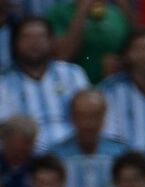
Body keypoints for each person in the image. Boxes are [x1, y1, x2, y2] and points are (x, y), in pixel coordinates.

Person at [0, 17, 91, 152]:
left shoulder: (73, 74)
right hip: (27, 157)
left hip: (72, 152)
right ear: (15, 43)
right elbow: (6, 128)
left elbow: (90, 116)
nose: (34, 43)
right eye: (27, 37)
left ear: (52, 41)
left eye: (41, 37)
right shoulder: (4, 83)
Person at [50, 90, 121, 187]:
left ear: (104, 117)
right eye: (82, 116)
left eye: (94, 116)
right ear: (71, 117)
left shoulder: (120, 154)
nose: (88, 123)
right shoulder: (55, 156)